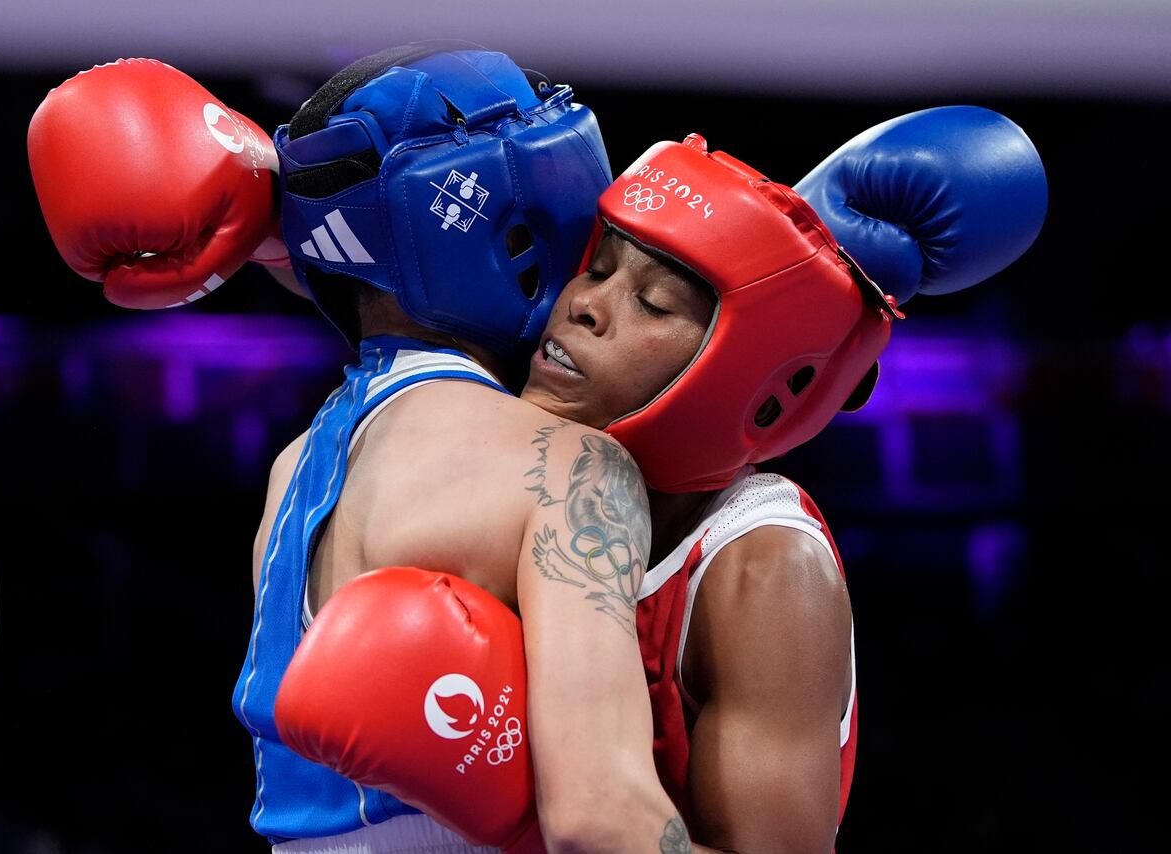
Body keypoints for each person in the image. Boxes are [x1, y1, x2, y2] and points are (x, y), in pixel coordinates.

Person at [278, 107, 1046, 852]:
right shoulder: (533, 467)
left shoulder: (764, 568)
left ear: (751, 374)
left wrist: (527, 823)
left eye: (650, 303)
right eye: (599, 268)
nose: (583, 306)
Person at [29, 42, 697, 854]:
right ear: (519, 223)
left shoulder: (295, 472)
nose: (592, 290)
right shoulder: (562, 467)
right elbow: (603, 820)